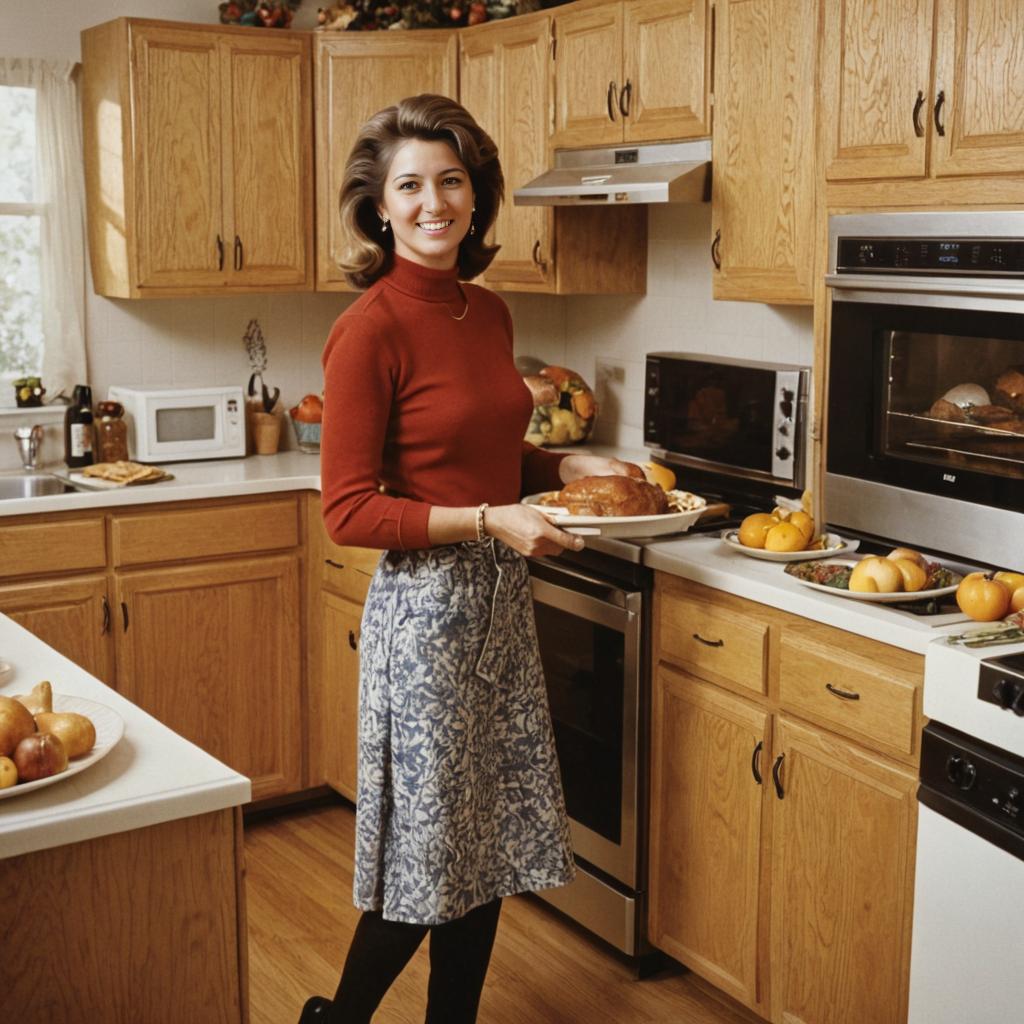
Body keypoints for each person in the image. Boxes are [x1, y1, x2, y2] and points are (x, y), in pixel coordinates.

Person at [304, 93, 638, 1024]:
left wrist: (564, 463)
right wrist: (494, 520)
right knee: (428, 857)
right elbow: (349, 510)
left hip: (498, 603)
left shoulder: (485, 311)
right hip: (427, 624)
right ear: (378, 205)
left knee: (486, 846)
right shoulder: (368, 329)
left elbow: (488, 454)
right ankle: (337, 1019)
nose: (432, 202)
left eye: (451, 181)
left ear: (478, 195)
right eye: (409, 185)